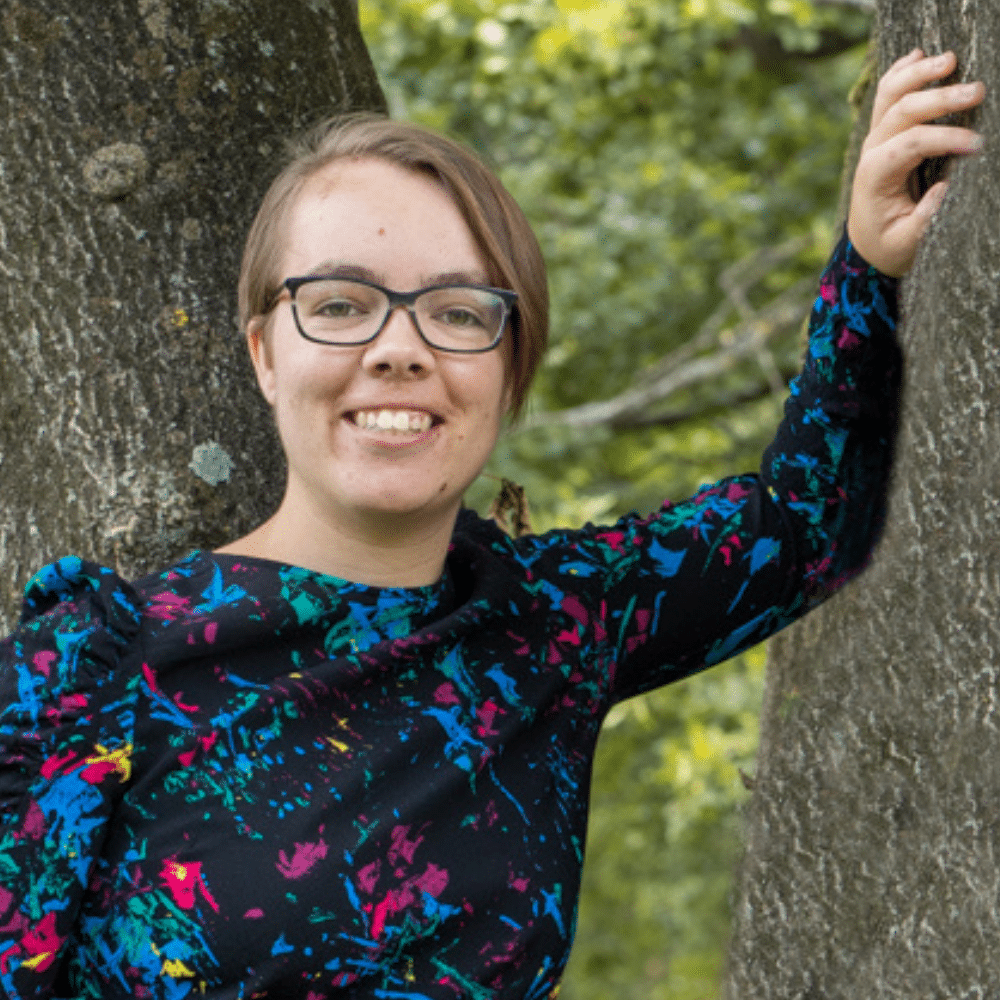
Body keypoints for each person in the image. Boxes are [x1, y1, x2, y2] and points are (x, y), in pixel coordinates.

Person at [0, 50, 984, 1000]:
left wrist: (864, 259)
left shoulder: (549, 624)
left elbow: (807, 526)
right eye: (339, 304)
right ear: (264, 352)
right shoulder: (94, 671)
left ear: (509, 366)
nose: (398, 349)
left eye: (459, 313)